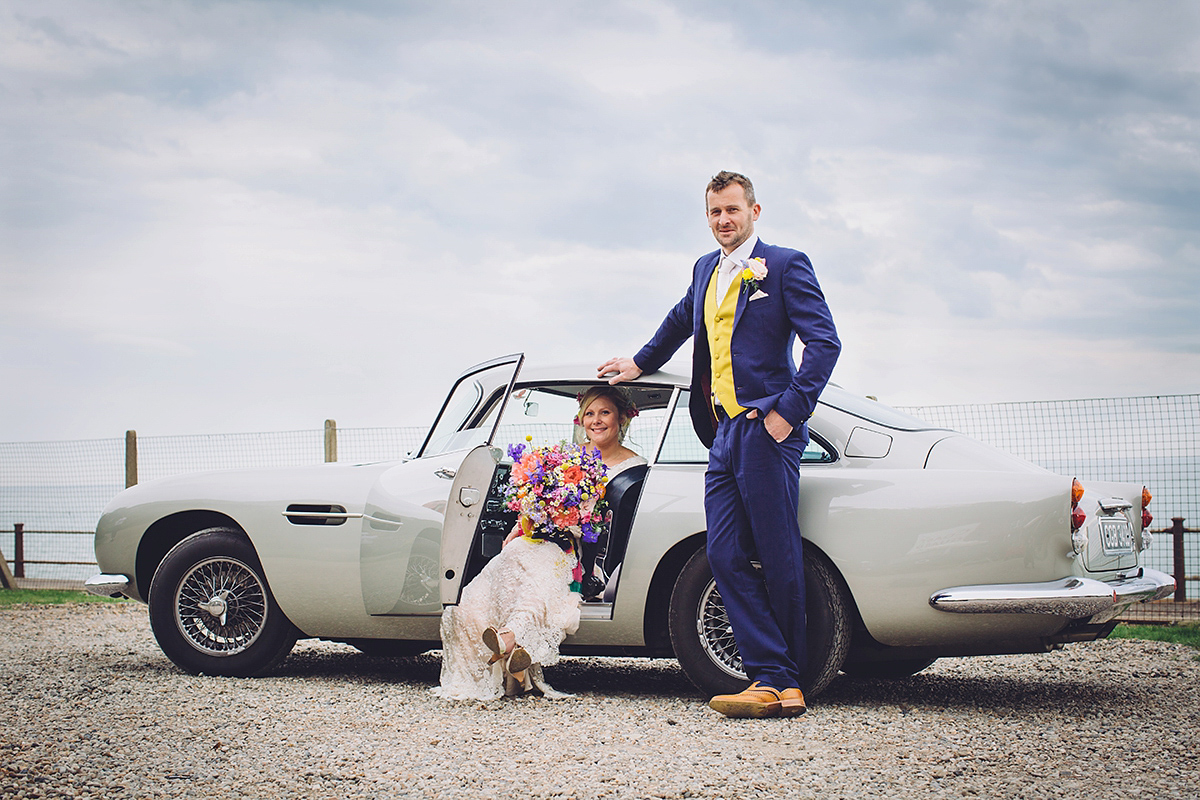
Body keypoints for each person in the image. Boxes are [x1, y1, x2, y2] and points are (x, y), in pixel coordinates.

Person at [598, 171, 840, 718]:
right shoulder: (705, 268)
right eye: (714, 213)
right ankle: (769, 675)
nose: (723, 221)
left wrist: (787, 413)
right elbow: (683, 319)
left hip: (765, 428)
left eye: (732, 210)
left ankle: (785, 682)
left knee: (778, 555)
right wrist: (639, 362)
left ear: (756, 211)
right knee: (724, 554)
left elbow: (824, 342)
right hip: (723, 431)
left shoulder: (783, 265)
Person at [433, 386, 646, 701]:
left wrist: (573, 521)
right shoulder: (568, 458)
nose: (596, 421)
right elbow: (538, 501)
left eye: (605, 413)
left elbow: (612, 523)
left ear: (621, 419)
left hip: (579, 550)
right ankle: (511, 663)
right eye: (590, 414)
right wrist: (522, 525)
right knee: (475, 597)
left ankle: (509, 639)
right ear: (581, 419)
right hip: (537, 539)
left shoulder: (635, 466)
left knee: (536, 586)